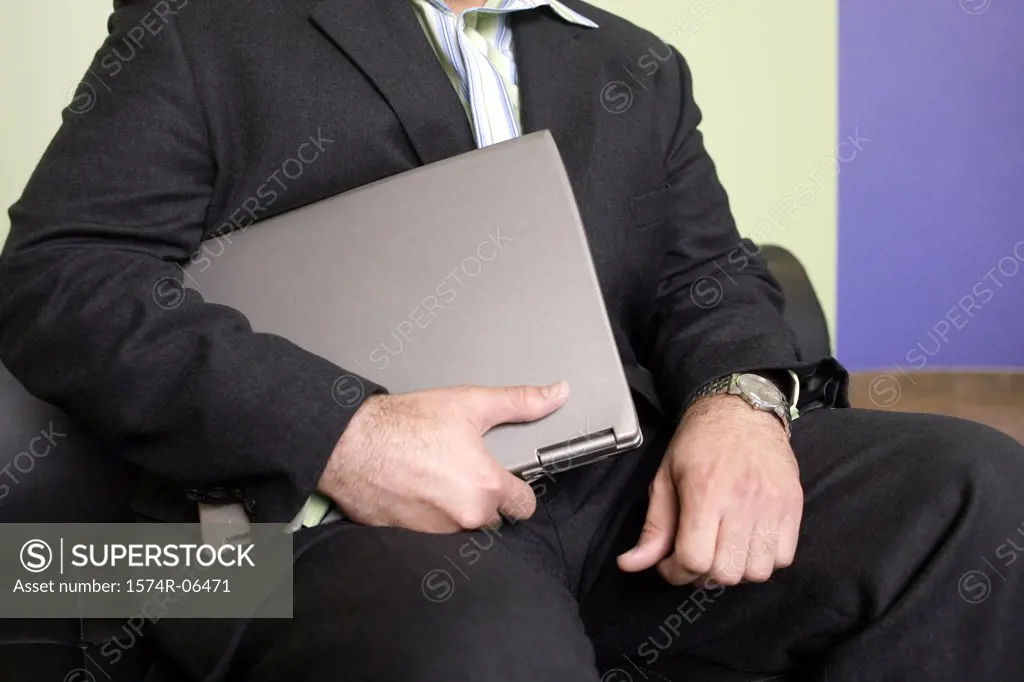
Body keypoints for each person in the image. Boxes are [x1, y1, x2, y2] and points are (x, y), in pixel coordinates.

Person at [1, 0, 1022, 680]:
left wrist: (741, 403)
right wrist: (343, 432)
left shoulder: (633, 63)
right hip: (326, 521)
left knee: (972, 489)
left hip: (621, 492)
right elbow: (62, 273)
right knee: (481, 645)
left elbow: (708, 276)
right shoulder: (209, 27)